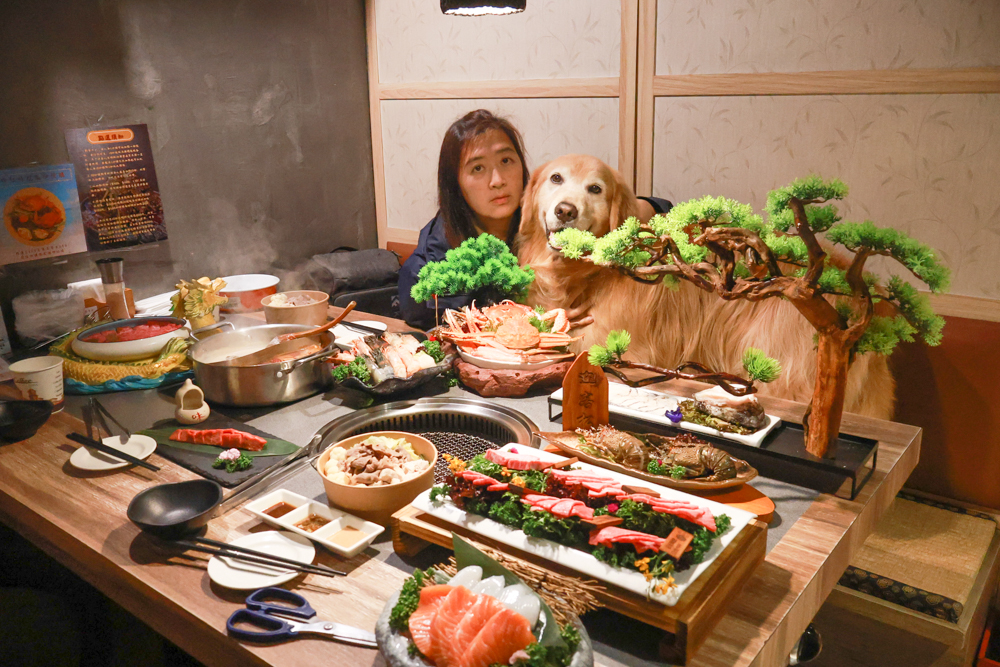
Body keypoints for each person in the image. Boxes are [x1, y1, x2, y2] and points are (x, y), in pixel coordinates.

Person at [397, 109, 672, 329]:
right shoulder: (441, 245)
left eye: (506, 161)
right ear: (455, 183)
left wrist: (637, 210)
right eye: (478, 168)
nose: (498, 181)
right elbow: (418, 307)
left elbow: (656, 207)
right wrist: (526, 320)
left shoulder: (539, 209)